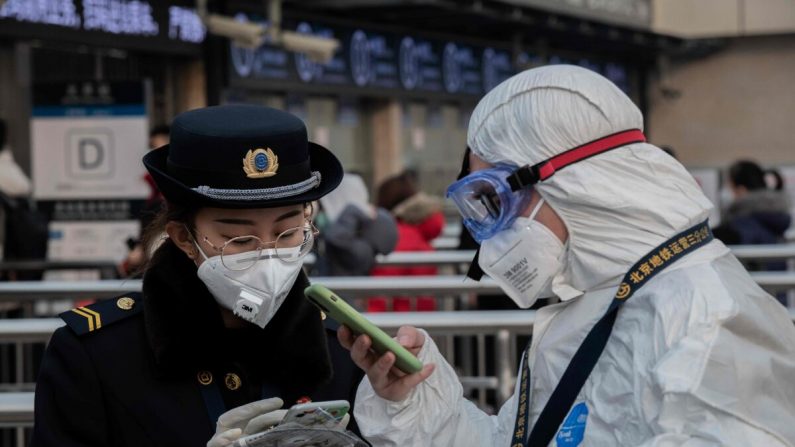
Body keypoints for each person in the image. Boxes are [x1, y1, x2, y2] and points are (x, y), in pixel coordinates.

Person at [340, 65, 795, 446]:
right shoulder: (599, 302)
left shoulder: (707, 327)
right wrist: (415, 401)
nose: (491, 234)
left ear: (576, 182)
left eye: (496, 199)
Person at [32, 105, 364, 446]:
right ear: (183, 238)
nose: (268, 252)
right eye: (239, 238)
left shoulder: (339, 348)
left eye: (289, 231)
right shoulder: (97, 355)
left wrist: (395, 413)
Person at [369, 172, 445, 312]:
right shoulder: (420, 236)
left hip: (394, 321)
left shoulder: (393, 237)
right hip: (421, 319)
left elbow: (381, 292)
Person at [312, 172, 398, 277]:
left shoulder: (359, 238)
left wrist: (351, 209)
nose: (322, 212)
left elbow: (336, 239)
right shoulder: (356, 231)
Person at [715, 160, 791, 245]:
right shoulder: (776, 216)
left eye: (729, 186)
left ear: (741, 190)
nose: (726, 192)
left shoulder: (740, 224)